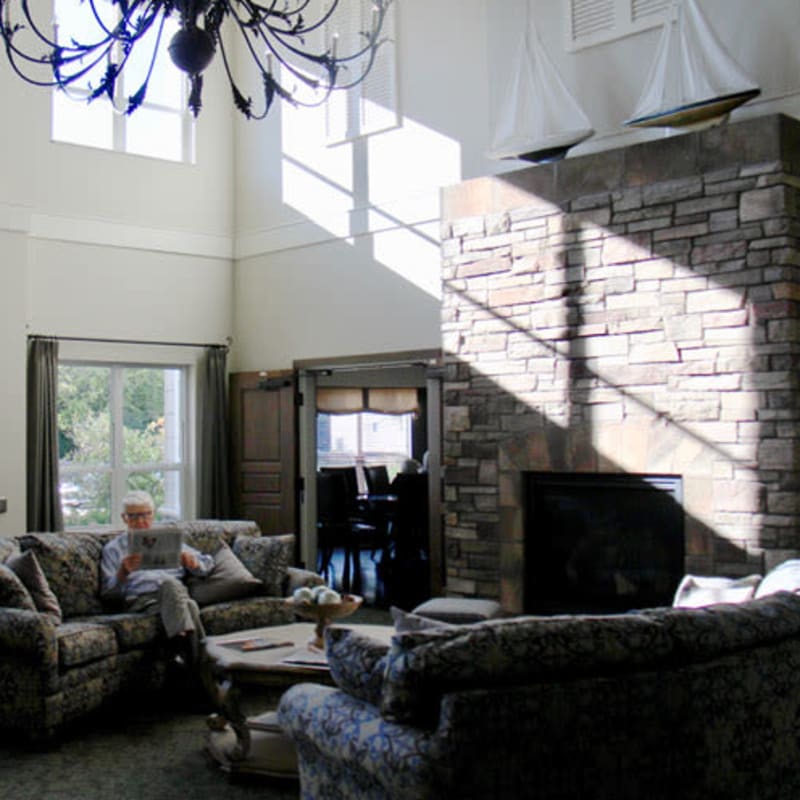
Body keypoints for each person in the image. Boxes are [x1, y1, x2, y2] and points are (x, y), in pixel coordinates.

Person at [100, 490, 214, 664]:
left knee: (179, 595)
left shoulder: (167, 540)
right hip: (141, 601)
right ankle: (193, 658)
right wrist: (122, 572)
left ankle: (185, 663)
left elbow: (207, 563)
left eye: (145, 515)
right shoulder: (114, 549)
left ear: (153, 515)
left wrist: (193, 563)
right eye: (134, 516)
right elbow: (108, 594)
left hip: (174, 596)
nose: (140, 522)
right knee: (185, 601)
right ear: (124, 518)